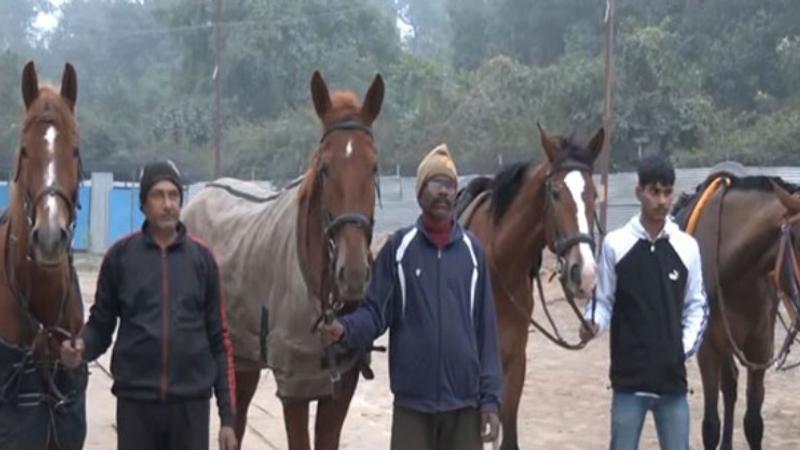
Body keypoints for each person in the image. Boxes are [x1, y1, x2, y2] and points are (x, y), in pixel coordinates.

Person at [321, 144, 503, 450]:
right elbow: (375, 312)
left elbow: (486, 333)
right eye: (436, 183)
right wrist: (345, 329)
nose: (444, 192)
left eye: (449, 185)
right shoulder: (399, 249)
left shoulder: (473, 254)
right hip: (412, 409)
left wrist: (491, 401)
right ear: (420, 192)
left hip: (464, 407)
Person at [60, 160, 238, 450]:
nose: (167, 204)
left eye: (173, 195)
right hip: (136, 406)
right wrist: (80, 349)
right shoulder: (120, 258)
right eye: (158, 195)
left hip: (190, 408)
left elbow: (220, 342)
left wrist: (228, 418)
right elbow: (101, 326)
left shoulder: (203, 260)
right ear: (143, 203)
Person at [581, 154, 708, 450]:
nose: (661, 200)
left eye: (667, 192)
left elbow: (697, 306)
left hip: (673, 385)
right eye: (654, 191)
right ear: (639, 192)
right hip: (628, 383)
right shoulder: (616, 244)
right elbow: (603, 301)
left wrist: (681, 349)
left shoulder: (687, 248)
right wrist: (593, 323)